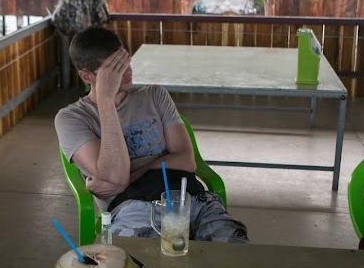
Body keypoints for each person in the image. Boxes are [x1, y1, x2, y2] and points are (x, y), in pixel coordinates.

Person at [55, 26, 248, 243]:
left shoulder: (155, 96)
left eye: (126, 61)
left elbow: (187, 161)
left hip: (190, 197)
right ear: (86, 76)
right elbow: (115, 174)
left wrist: (133, 175)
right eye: (114, 70)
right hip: (133, 207)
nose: (127, 71)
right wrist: (106, 102)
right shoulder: (71, 118)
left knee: (234, 252)